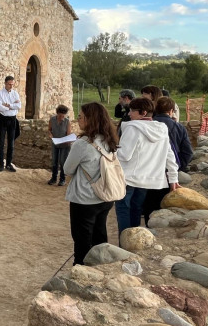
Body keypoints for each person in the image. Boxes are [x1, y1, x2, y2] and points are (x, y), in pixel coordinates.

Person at [63, 102, 119, 265]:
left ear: (90, 120)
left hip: (85, 198)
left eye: (80, 117)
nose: (78, 120)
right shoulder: (110, 139)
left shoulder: (82, 144)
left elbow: (68, 169)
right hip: (106, 195)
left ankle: (80, 269)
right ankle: (100, 266)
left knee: (82, 239)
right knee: (99, 234)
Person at [115, 97, 179, 235]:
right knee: (137, 208)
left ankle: (124, 240)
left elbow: (124, 155)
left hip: (128, 177)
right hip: (148, 178)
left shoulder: (132, 128)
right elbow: (170, 155)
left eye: (132, 111)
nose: (129, 114)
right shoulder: (162, 130)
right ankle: (134, 240)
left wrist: (112, 151)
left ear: (143, 113)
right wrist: (173, 178)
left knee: (123, 209)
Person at [144, 96, 194, 222]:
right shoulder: (179, 127)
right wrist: (178, 167)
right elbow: (188, 152)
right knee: (165, 204)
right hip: (169, 172)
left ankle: (148, 227)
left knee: (149, 203)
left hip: (148, 171)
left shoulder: (146, 125)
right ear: (171, 110)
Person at [0, 76, 20, 172]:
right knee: (1, 142)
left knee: (11, 143)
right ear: (5, 83)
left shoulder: (15, 93)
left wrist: (8, 105)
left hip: (13, 119)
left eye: (12, 84)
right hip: (2, 119)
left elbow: (19, 106)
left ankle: (9, 164)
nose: (11, 86)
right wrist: (12, 106)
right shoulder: (0, 93)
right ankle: (1, 163)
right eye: (9, 84)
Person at [48, 105, 72, 186]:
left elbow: (68, 134)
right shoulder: (52, 120)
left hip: (65, 144)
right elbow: (49, 130)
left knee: (62, 161)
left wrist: (66, 140)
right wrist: (50, 135)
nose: (62, 117)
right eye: (60, 116)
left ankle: (62, 179)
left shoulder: (67, 122)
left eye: (63, 116)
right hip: (55, 143)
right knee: (54, 161)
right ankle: (53, 178)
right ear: (57, 113)